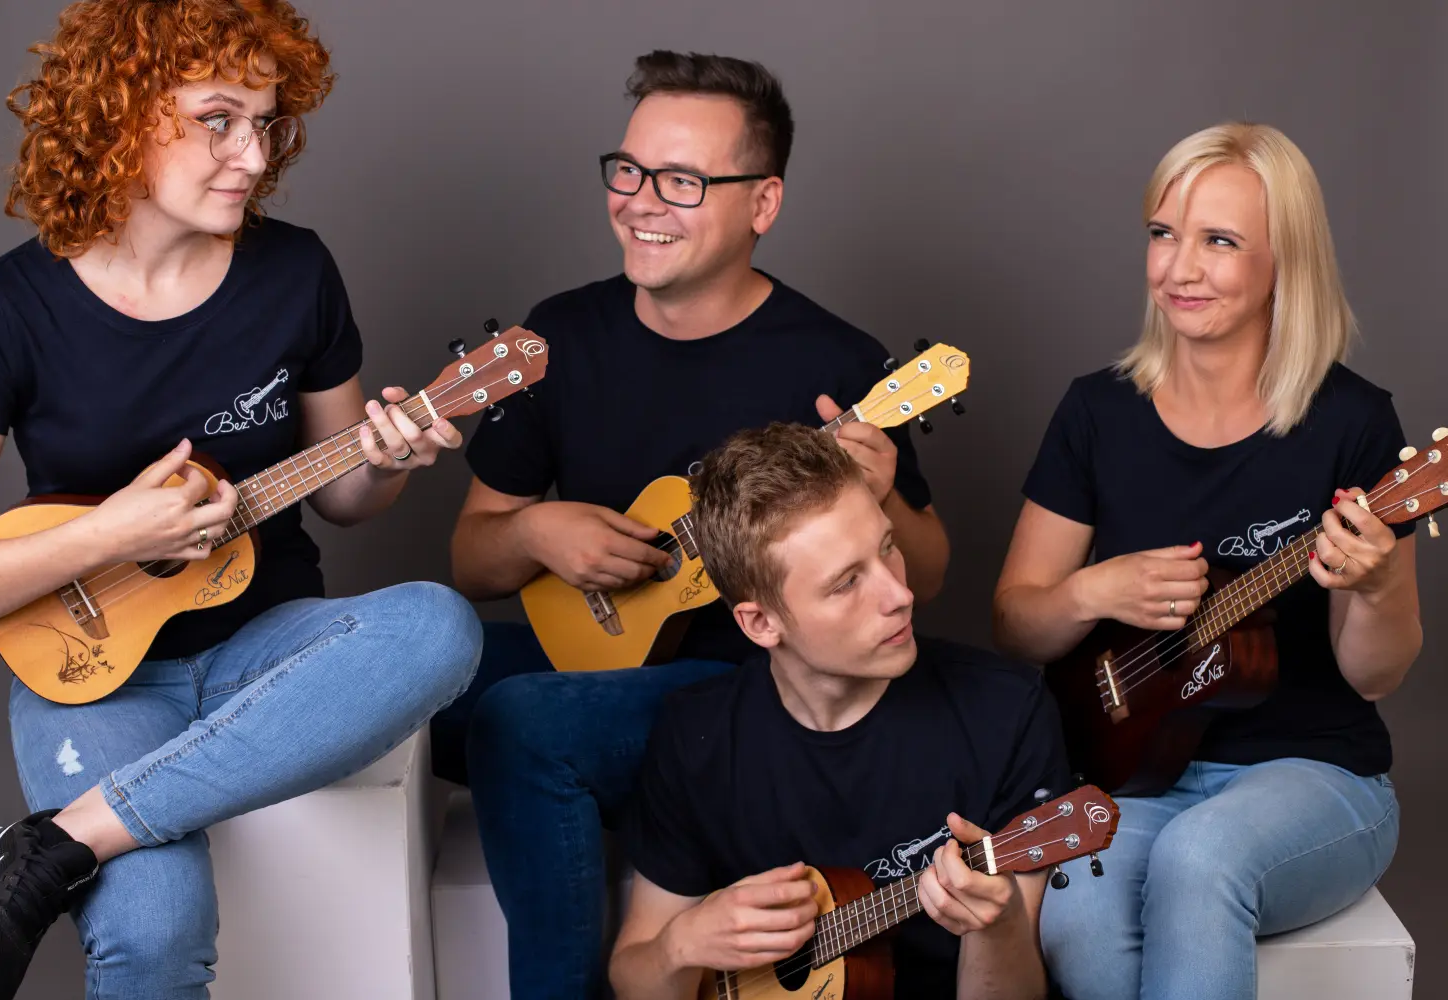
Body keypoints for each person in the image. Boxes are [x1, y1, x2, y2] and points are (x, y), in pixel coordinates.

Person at [0, 3, 482, 997]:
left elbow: (345, 496)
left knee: (440, 628)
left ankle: (55, 846)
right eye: (218, 120)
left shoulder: (296, 271)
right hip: (93, 673)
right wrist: (112, 533)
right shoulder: (2, 308)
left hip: (270, 650)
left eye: (266, 123)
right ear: (118, 115)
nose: (254, 155)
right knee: (153, 932)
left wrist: (391, 459)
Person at [429, 51, 949, 997]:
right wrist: (538, 534)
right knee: (419, 664)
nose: (640, 202)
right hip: (590, 654)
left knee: (522, 726)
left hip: (746, 685)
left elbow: (932, 573)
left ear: (763, 203)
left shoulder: (835, 363)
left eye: (681, 181)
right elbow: (473, 555)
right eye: (628, 171)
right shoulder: (562, 336)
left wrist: (878, 494)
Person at [992, 123, 1420, 1000]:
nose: (1179, 269)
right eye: (1163, 234)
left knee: (1200, 859)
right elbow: (1016, 622)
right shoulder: (1097, 412)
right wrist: (1091, 589)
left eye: (1219, 241)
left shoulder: (1354, 423)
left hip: (1318, 775)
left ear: (1285, 263)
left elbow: (1376, 674)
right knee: (1076, 914)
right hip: (1137, 774)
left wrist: (1375, 586)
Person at [609, 423, 1065, 1000]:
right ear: (760, 623)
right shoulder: (696, 735)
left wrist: (996, 929)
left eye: (887, 547)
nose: (900, 595)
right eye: (847, 583)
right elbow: (633, 978)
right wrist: (681, 945)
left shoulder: (1006, 712)